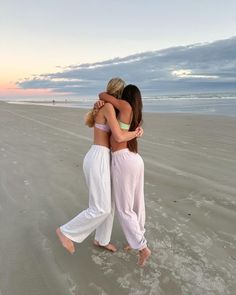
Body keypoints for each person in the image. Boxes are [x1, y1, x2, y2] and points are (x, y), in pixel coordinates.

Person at [56, 78, 143, 254]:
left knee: (109, 204)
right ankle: (66, 232)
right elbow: (118, 136)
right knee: (101, 208)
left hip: (102, 157)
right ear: (119, 93)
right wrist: (136, 133)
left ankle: (101, 240)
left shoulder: (108, 107)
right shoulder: (109, 107)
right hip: (99, 158)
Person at [99, 85, 151, 266]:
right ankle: (137, 237)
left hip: (122, 160)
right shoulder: (134, 113)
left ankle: (142, 247)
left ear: (126, 95)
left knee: (124, 208)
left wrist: (108, 98)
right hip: (134, 159)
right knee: (137, 202)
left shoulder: (124, 106)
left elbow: (102, 94)